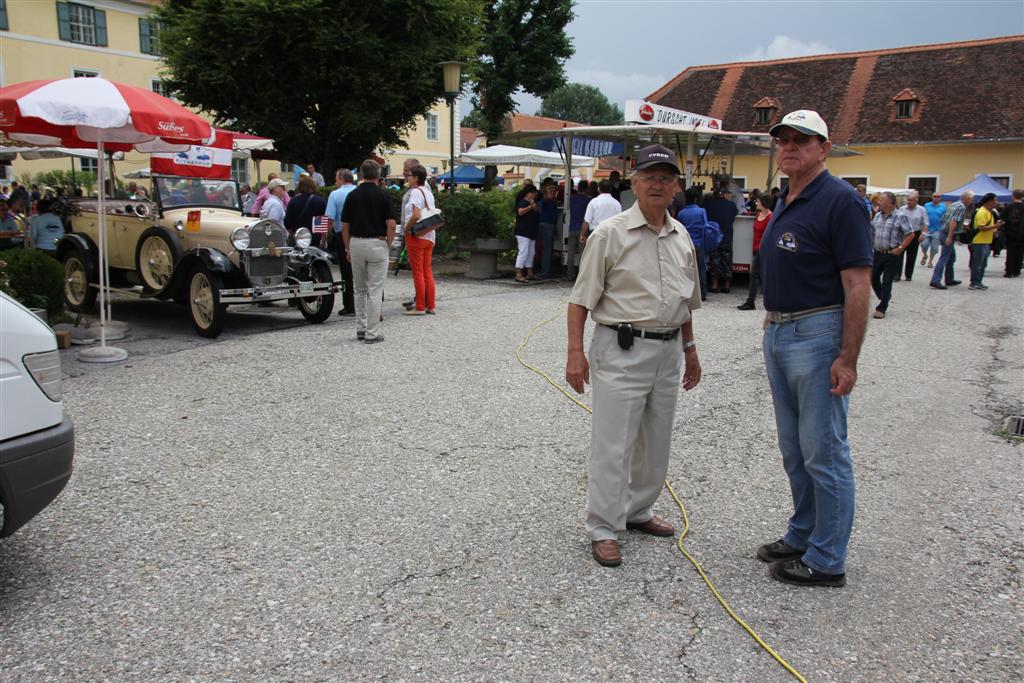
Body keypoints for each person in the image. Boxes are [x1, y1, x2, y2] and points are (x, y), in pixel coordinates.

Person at [565, 144, 702, 568]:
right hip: (621, 348)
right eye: (650, 177)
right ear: (635, 183)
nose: (658, 183)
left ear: (677, 186)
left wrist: (691, 349)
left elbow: (686, 302)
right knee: (613, 443)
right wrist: (575, 353)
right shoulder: (611, 233)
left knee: (656, 441)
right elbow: (579, 300)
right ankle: (603, 527)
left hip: (667, 352)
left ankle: (638, 510)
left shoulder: (682, 239)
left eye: (666, 177)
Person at [758, 110, 872, 587]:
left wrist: (848, 357)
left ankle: (827, 559)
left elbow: (858, 285)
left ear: (824, 149)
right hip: (782, 330)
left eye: (802, 141)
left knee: (823, 450)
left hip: (818, 334)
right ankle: (804, 532)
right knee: (794, 448)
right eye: (783, 140)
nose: (789, 147)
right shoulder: (789, 196)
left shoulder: (840, 201)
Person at [341, 159, 396, 344]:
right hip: (377, 243)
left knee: (359, 289)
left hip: (356, 242)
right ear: (378, 174)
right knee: (375, 289)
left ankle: (361, 328)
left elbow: (345, 225)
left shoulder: (352, 195)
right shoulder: (383, 196)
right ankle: (372, 332)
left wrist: (347, 247)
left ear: (362, 174)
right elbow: (392, 224)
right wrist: (388, 244)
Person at [870, 191, 915, 319]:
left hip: (891, 253)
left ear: (890, 202)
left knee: (887, 280)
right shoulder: (878, 216)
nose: (879, 202)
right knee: (873, 278)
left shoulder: (900, 216)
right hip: (878, 252)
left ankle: (882, 308)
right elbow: (873, 232)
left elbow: (910, 234)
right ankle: (884, 296)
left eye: (882, 200)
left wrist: (900, 248)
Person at [401, 164, 437, 315]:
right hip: (429, 235)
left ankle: (420, 306)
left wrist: (406, 228)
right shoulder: (428, 192)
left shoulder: (415, 192)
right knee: (427, 271)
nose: (407, 179)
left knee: (418, 272)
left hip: (417, 235)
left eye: (409, 176)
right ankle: (431, 305)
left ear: (416, 178)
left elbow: (415, 215)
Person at [326, 168, 357, 316]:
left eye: (337, 179)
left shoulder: (335, 194)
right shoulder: (359, 192)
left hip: (342, 234)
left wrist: (325, 236)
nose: (335, 182)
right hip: (361, 233)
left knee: (346, 272)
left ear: (342, 179)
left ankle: (349, 305)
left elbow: (330, 218)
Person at [929, 190, 972, 290]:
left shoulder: (954, 204)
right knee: (944, 258)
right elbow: (954, 222)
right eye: (971, 199)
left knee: (951, 257)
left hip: (943, 231)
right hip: (948, 233)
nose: (971, 201)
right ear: (967, 198)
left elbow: (944, 218)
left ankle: (949, 279)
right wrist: (949, 236)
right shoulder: (961, 207)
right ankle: (935, 280)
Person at [738, 193, 773, 310]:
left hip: (763, 249)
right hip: (756, 248)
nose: (756, 203)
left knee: (754, 274)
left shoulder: (770, 217)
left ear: (763, 203)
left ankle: (751, 301)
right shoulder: (758, 214)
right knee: (760, 275)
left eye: (758, 201)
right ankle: (767, 300)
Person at [676, 186, 710, 301]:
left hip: (685, 243)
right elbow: (706, 227)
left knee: (685, 269)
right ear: (696, 198)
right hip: (698, 243)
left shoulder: (682, 213)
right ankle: (702, 293)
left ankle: (686, 292)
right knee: (700, 269)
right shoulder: (701, 211)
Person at [704, 185, 738, 293]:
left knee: (714, 261)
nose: (729, 195)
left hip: (714, 236)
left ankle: (714, 285)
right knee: (727, 261)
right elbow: (734, 215)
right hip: (727, 236)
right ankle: (727, 285)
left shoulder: (708, 205)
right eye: (728, 193)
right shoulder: (731, 205)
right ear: (723, 194)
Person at [969, 192, 1002, 290]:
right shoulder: (982, 212)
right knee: (977, 263)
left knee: (983, 263)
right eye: (995, 200)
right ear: (990, 201)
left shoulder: (990, 212)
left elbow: (988, 227)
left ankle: (979, 281)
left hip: (986, 241)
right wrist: (995, 226)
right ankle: (974, 282)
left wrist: (995, 229)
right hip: (979, 241)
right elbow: (981, 227)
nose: (997, 202)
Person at [284, 175, 327, 245]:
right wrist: (322, 241)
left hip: (298, 239)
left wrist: (294, 234)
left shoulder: (293, 201)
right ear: (313, 186)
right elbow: (321, 225)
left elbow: (287, 223)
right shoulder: (320, 201)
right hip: (315, 240)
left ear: (300, 186)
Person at [895, 190, 928, 281]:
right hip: (903, 234)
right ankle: (897, 274)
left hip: (915, 233)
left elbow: (925, 223)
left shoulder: (922, 210)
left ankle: (908, 275)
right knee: (900, 253)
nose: (909, 202)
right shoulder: (902, 209)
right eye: (908, 200)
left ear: (916, 201)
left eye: (911, 200)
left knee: (912, 255)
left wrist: (923, 233)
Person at [565, 179, 591, 280]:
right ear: (587, 189)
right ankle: (581, 275)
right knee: (582, 254)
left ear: (578, 188)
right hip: (583, 230)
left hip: (572, 228)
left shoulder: (572, 198)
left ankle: (569, 274)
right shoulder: (588, 200)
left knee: (570, 253)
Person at [514, 186, 540, 283]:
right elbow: (520, 212)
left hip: (531, 232)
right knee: (523, 252)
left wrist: (534, 206)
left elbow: (537, 212)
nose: (534, 195)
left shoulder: (532, 202)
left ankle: (530, 273)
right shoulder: (523, 202)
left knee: (531, 253)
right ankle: (518, 273)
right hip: (523, 232)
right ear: (528, 193)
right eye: (533, 193)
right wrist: (530, 207)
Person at [537, 184, 559, 279]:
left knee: (548, 250)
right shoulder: (546, 200)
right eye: (551, 191)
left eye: (554, 191)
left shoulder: (552, 201)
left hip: (550, 225)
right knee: (547, 250)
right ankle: (545, 272)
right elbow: (540, 205)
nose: (553, 193)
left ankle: (546, 271)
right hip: (547, 225)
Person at [920, 192, 947, 269]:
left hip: (937, 230)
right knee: (924, 245)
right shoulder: (926, 205)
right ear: (932, 197)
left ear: (940, 198)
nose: (936, 197)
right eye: (934, 196)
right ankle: (925, 255)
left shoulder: (943, 207)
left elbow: (945, 218)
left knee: (934, 247)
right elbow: (923, 217)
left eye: (938, 196)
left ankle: (930, 261)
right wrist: (922, 229)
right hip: (927, 229)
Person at [1002, 189, 1024, 278]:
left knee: (1010, 252)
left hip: (1010, 232)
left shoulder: (1008, 207)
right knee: (1020, 252)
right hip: (1022, 233)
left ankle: (1009, 271)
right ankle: (1017, 270)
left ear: (1013, 196)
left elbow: (1002, 218)